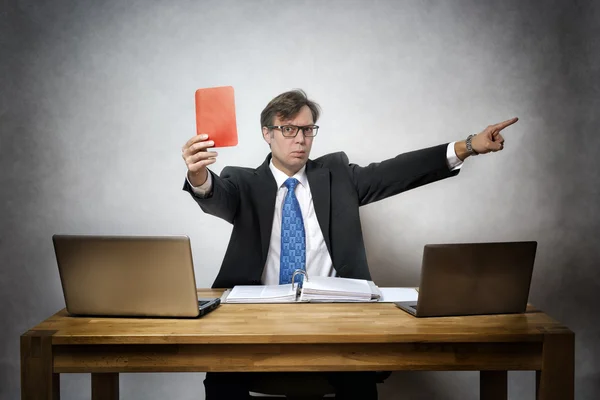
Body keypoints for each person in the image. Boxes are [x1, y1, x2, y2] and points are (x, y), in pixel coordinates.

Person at [181, 89, 517, 399]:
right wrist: (199, 177)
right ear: (267, 133)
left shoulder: (338, 175)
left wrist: (468, 146)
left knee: (359, 376)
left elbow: (397, 172)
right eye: (288, 130)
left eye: (308, 129)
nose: (300, 139)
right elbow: (217, 197)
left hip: (336, 319)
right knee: (222, 375)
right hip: (255, 321)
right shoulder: (242, 181)